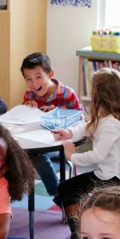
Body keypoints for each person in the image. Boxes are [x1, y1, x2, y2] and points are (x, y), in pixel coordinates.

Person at [52, 67, 120, 239]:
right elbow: (89, 127)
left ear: (100, 95)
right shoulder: (114, 116)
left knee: (67, 188)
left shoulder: (111, 123)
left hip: (115, 179)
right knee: (71, 188)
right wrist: (70, 133)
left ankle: (78, 238)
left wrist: (72, 157)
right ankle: (80, 234)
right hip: (116, 175)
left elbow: (97, 156)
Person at [21, 52, 84, 207]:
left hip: (61, 142)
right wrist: (27, 109)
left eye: (38, 77)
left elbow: (81, 121)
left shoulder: (67, 94)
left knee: (38, 154)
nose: (34, 83)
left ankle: (59, 195)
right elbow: (26, 121)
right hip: (38, 140)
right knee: (34, 154)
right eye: (28, 79)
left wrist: (57, 113)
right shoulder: (29, 95)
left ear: (50, 74)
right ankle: (59, 194)